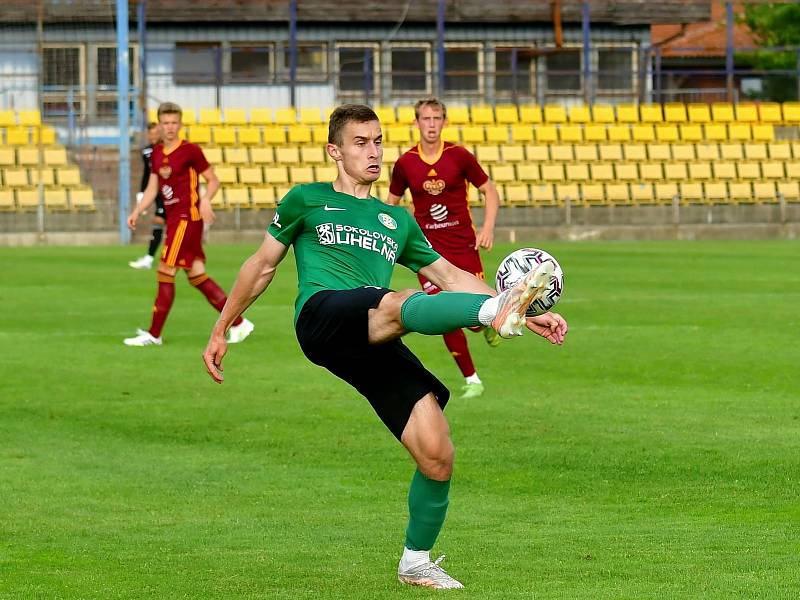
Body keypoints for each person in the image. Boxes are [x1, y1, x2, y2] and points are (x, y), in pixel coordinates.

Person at [201, 105, 567, 589]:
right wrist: (222, 326)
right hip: (324, 316)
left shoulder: (398, 220)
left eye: (377, 141)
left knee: (437, 450)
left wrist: (527, 311)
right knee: (401, 300)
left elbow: (453, 277)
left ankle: (415, 562)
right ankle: (490, 315)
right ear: (335, 151)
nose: (373, 151)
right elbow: (261, 266)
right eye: (360, 143)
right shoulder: (305, 200)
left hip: (372, 336)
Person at [387, 97, 501, 400]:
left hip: (463, 244)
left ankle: (485, 324)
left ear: (444, 122)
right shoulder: (405, 163)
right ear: (416, 123)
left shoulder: (459, 156)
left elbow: (489, 191)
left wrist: (487, 228)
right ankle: (472, 379)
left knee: (472, 316)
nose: (431, 124)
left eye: (437, 118)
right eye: (425, 119)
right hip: (428, 251)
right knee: (443, 309)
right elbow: (390, 206)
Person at [124, 101, 254, 347]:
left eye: (174, 122)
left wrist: (205, 199)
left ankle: (154, 334)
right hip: (176, 221)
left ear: (180, 124)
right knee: (197, 276)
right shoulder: (158, 153)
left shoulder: (191, 151)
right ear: (159, 125)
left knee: (165, 271)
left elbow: (213, 180)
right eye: (165, 123)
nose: (170, 127)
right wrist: (138, 210)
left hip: (187, 220)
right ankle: (239, 324)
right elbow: (153, 187)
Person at [129, 122, 166, 270]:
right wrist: (141, 193)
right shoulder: (146, 152)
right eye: (150, 133)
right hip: (156, 192)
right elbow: (147, 174)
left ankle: (151, 258)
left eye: (156, 133)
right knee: (158, 222)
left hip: (169, 192)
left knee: (160, 222)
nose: (153, 136)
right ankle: (150, 258)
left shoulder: (167, 149)